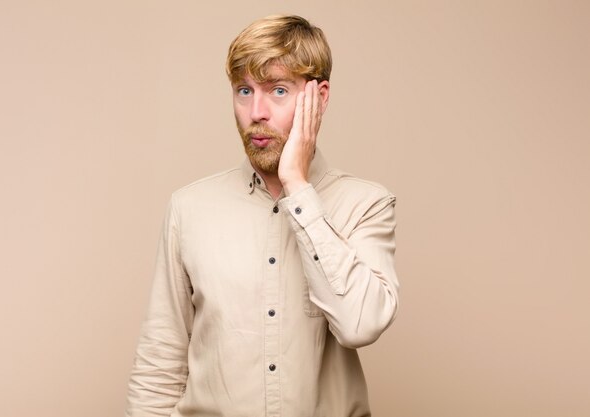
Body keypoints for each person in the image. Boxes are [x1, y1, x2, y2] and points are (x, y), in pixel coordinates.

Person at [126, 14, 399, 417]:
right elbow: (160, 362)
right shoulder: (189, 208)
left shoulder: (366, 203)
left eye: (278, 90)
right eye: (243, 90)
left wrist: (297, 186)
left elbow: (360, 324)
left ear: (319, 98)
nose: (256, 111)